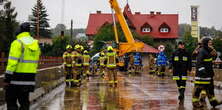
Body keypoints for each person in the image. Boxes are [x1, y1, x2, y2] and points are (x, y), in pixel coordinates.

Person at [4, 22, 41, 110]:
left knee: (11, 102)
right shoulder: (36, 44)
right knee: (24, 102)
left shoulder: (17, 43)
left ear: (20, 30)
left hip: (15, 80)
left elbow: (12, 63)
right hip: (29, 80)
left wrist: (7, 78)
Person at [192, 38, 222, 108]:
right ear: (205, 43)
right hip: (202, 75)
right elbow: (199, 62)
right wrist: (203, 71)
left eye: (211, 42)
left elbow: (214, 55)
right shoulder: (202, 51)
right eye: (209, 42)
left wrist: (212, 49)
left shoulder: (209, 50)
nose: (211, 44)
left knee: (210, 89)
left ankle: (213, 102)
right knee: (198, 89)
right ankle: (195, 102)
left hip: (209, 74)